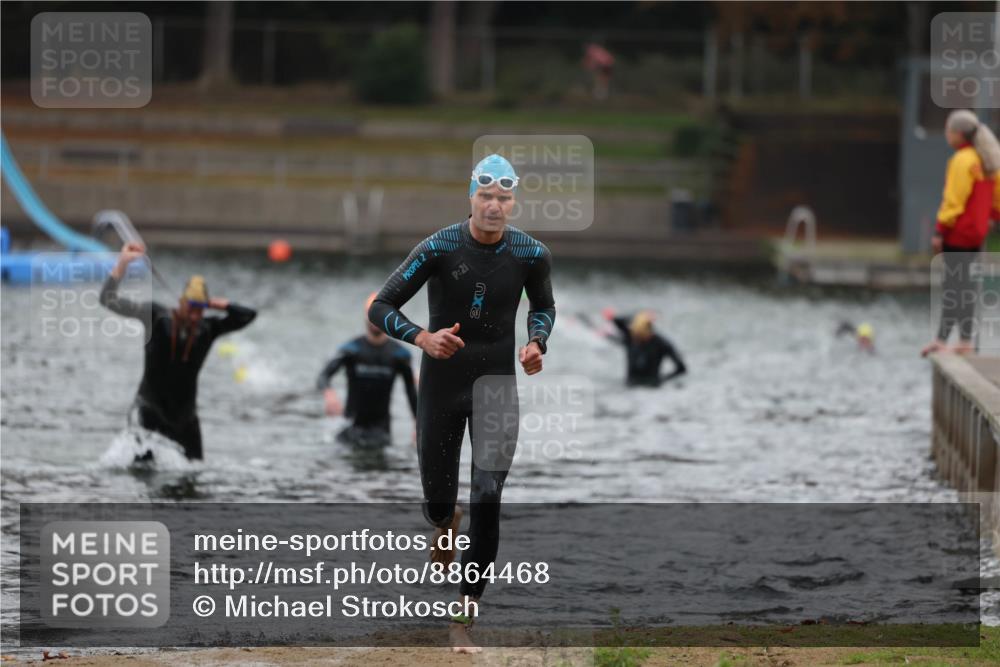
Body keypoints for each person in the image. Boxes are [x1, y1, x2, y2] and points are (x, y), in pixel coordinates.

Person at [368, 154, 555, 653]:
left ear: (514, 202)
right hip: (441, 387)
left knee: (489, 500)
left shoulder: (532, 253)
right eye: (485, 196)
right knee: (438, 500)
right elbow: (380, 305)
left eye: (504, 198)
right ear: (470, 197)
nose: (494, 206)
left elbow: (543, 306)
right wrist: (423, 338)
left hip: (496, 387)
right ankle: (443, 520)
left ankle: (462, 617)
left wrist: (537, 343)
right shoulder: (440, 246)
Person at [100, 242, 257, 460]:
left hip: (185, 420)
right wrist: (122, 264)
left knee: (194, 474)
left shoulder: (207, 329)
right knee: (145, 475)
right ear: (181, 303)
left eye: (199, 310)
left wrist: (213, 304)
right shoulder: (157, 317)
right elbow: (108, 300)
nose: (195, 316)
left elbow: (248, 315)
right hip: (151, 411)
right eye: (191, 308)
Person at [922, 110, 1000, 357]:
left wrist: (939, 231)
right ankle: (965, 341)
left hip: (958, 234)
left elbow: (953, 201)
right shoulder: (986, 159)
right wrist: (991, 218)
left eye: (948, 130)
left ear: (957, 134)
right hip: (976, 234)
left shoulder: (962, 160)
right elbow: (997, 197)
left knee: (952, 287)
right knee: (966, 287)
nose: (946, 134)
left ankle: (942, 340)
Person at [316, 293, 418, 449]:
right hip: (350, 429)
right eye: (372, 315)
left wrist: (417, 423)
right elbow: (323, 376)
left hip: (381, 433)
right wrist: (329, 393)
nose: (375, 321)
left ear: (388, 319)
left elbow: (411, 391)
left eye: (380, 316)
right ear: (366, 316)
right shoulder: (351, 349)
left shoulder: (400, 355)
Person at [605, 309, 686, 387]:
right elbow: (617, 321)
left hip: (651, 387)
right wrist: (640, 315)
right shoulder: (631, 338)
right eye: (635, 332)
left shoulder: (661, 343)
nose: (636, 337)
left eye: (639, 333)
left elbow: (681, 368)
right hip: (630, 385)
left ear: (649, 330)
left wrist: (662, 380)